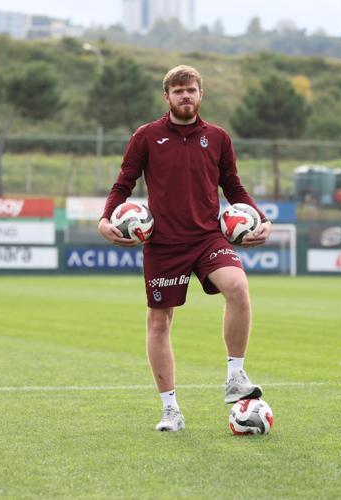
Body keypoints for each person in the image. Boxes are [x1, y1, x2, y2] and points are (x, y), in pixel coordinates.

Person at [98, 65, 272, 432]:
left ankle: (235, 376)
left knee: (238, 287)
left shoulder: (218, 138)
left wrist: (261, 218)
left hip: (207, 237)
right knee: (159, 321)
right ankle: (170, 410)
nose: (185, 96)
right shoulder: (146, 136)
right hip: (163, 243)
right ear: (167, 97)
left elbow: (233, 187)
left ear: (200, 94)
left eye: (191, 89)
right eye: (178, 91)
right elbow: (123, 184)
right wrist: (104, 219)